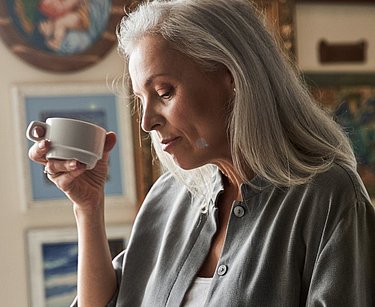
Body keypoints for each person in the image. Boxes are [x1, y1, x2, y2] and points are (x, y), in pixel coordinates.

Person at [28, 0, 375, 306]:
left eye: (164, 93)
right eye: (140, 100)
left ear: (232, 78)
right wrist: (87, 208)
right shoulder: (168, 197)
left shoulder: (329, 198)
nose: (147, 122)